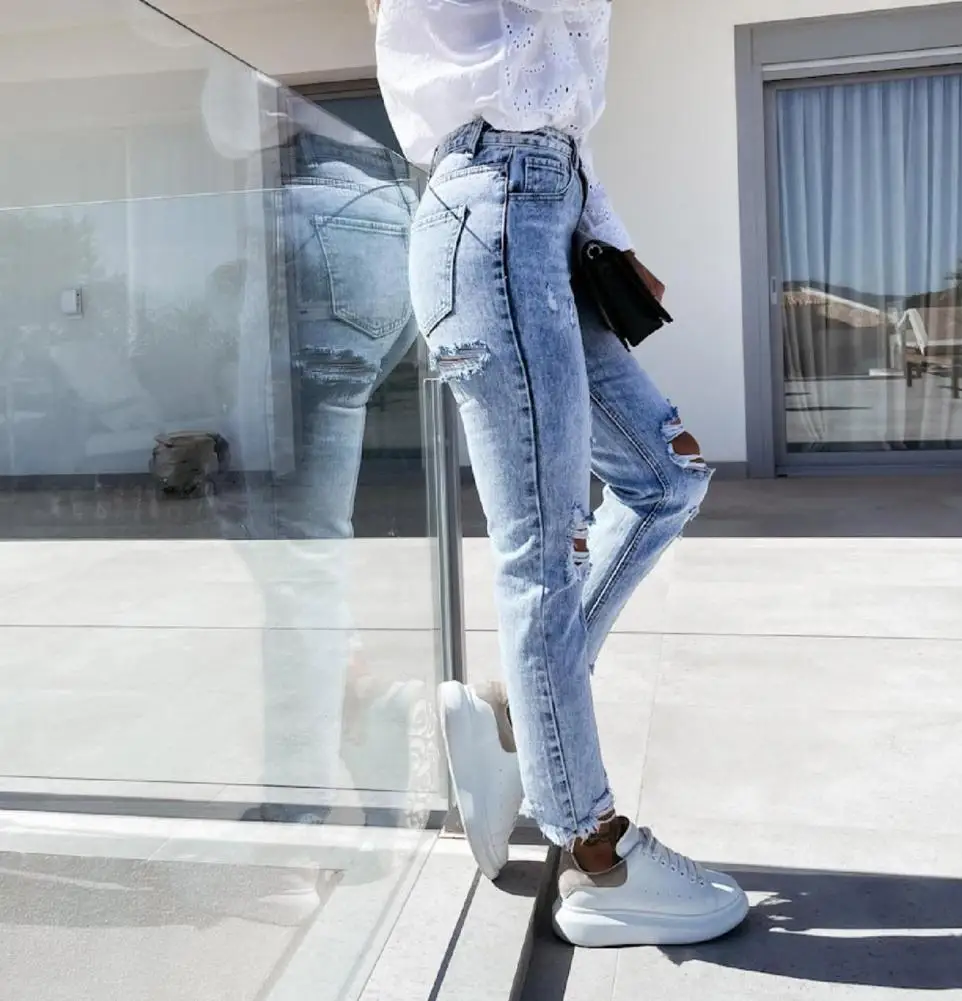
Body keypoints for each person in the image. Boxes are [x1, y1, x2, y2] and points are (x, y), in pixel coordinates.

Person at [373, 0, 750, 948]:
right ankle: (594, 856)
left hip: (547, 212)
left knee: (664, 475)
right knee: (542, 551)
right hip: (493, 215)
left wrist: (607, 233)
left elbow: (557, 106)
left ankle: (518, 711)